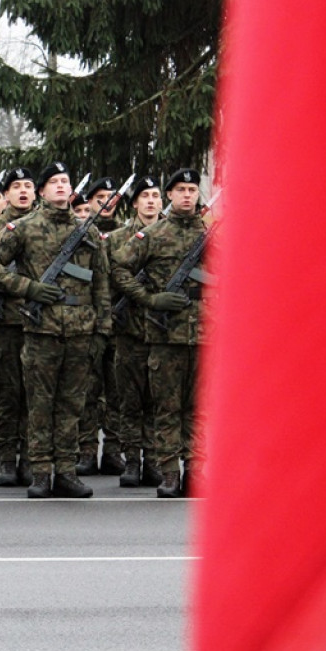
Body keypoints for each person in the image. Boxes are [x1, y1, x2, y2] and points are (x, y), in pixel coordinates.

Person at [0, 162, 110, 499]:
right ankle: (40, 471)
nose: (60, 186)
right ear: (41, 191)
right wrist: (27, 288)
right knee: (40, 404)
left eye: (65, 181)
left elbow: (101, 282)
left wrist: (102, 329)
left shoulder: (88, 232)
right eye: (53, 182)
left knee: (72, 405)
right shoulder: (24, 227)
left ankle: (66, 471)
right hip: (41, 330)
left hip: (80, 330)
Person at [111, 168, 209, 498]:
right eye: (180, 189)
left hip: (204, 333)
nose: (186, 195)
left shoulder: (211, 234)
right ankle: (169, 472)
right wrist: (148, 299)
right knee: (166, 408)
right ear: (170, 195)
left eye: (191, 190)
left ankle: (195, 469)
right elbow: (118, 267)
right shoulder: (154, 234)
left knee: (199, 408)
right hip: (165, 335)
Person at [107, 175, 164, 488]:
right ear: (135, 204)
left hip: (163, 331)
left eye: (155, 196)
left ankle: (154, 460)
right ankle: (131, 460)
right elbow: (108, 280)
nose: (151, 201)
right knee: (129, 401)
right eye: (145, 196)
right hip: (129, 329)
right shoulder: (117, 239)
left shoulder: (170, 234)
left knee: (157, 400)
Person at [0, 168, 35, 485]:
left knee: (34, 396)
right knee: (7, 394)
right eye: (16, 186)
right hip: (4, 322)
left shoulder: (44, 225)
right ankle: (5, 459)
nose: (23, 191)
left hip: (39, 322)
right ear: (6, 194)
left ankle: (30, 458)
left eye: (28, 186)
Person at [75, 177, 126, 477]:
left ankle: (113, 450)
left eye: (111, 197)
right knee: (88, 390)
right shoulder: (79, 234)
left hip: (120, 322)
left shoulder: (128, 234)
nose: (106, 202)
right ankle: (86, 449)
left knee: (117, 391)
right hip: (89, 322)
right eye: (99, 197)